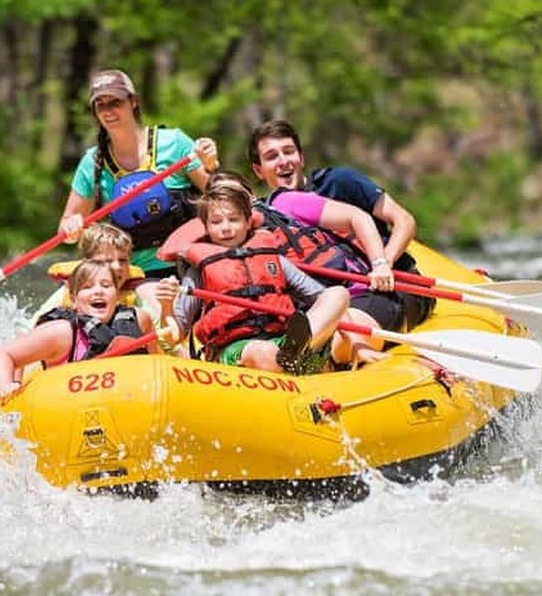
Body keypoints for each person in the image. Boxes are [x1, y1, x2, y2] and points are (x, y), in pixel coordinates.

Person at [247, 119, 434, 331]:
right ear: (258, 170)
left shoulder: (339, 181)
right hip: (342, 296)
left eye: (289, 152)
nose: (283, 161)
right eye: (272, 157)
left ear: (301, 157)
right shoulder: (270, 214)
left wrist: (383, 263)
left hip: (393, 284)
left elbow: (404, 220)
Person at [57, 68, 219, 309]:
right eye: (100, 105)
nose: (108, 111)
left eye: (115, 102)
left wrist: (211, 165)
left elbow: (220, 194)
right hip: (133, 274)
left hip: (189, 265)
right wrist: (72, 228)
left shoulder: (174, 143)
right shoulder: (92, 163)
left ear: (133, 102)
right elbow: (67, 224)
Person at [155, 180, 355, 373]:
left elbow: (322, 296)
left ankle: (295, 351)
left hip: (282, 340)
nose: (226, 228)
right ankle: (295, 360)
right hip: (239, 349)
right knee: (262, 352)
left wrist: (351, 339)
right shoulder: (199, 269)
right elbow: (175, 334)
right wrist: (166, 305)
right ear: (207, 227)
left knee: (338, 293)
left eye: (233, 219)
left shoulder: (270, 256)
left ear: (248, 221)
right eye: (216, 222)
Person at [0, 260, 160, 397]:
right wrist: (7, 389)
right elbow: (3, 355)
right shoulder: (62, 332)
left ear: (117, 293)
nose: (98, 291)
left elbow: (155, 363)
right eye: (87, 287)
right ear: (74, 298)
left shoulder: (139, 319)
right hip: (69, 409)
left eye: (106, 285)